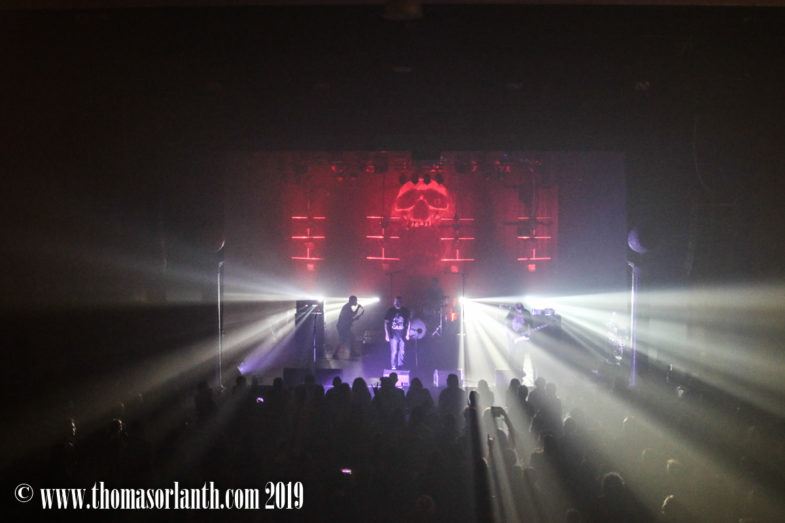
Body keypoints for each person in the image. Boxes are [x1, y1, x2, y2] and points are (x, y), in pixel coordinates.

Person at [384, 296, 410, 369]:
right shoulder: (390, 311)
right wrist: (387, 335)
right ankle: (393, 366)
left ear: (402, 303)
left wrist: (408, 334)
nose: (397, 303)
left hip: (402, 334)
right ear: (394, 302)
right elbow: (386, 323)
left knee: (402, 351)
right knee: (394, 351)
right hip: (393, 334)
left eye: (399, 302)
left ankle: (400, 365)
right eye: (396, 302)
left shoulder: (405, 311)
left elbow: (408, 322)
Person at [506, 303, 531, 374]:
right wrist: (511, 334)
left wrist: (529, 333)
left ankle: (520, 370)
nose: (519, 313)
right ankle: (510, 370)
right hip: (512, 337)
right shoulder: (511, 312)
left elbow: (530, 324)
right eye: (518, 311)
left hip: (522, 336)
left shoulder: (526, 313)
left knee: (521, 353)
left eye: (520, 311)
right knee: (512, 353)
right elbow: (507, 324)